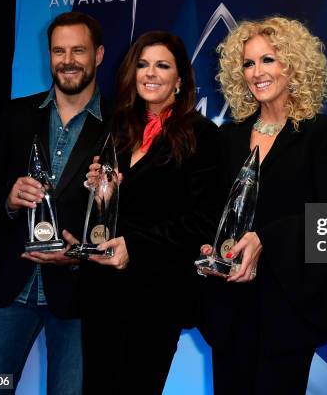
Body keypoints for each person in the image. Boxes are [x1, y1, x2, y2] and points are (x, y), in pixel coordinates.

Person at [200, 16, 327, 395]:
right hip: (231, 306)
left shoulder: (320, 133)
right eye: (248, 63)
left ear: (293, 65)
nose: (256, 72)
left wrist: (266, 238)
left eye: (268, 60)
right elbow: (211, 212)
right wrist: (208, 247)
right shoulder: (228, 136)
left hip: (286, 305)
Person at [0, 11, 108, 394]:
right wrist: (9, 197)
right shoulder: (16, 113)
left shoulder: (119, 125)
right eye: (58, 51)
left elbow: (126, 215)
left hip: (80, 297)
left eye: (78, 50)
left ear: (98, 55)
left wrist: (81, 252)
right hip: (8, 288)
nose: (67, 60)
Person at [80, 31, 223, 394]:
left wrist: (136, 246)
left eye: (163, 65)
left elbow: (204, 222)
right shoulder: (117, 128)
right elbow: (109, 211)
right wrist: (101, 196)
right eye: (143, 64)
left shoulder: (200, 134)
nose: (150, 73)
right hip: (104, 293)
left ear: (180, 79)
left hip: (158, 295)